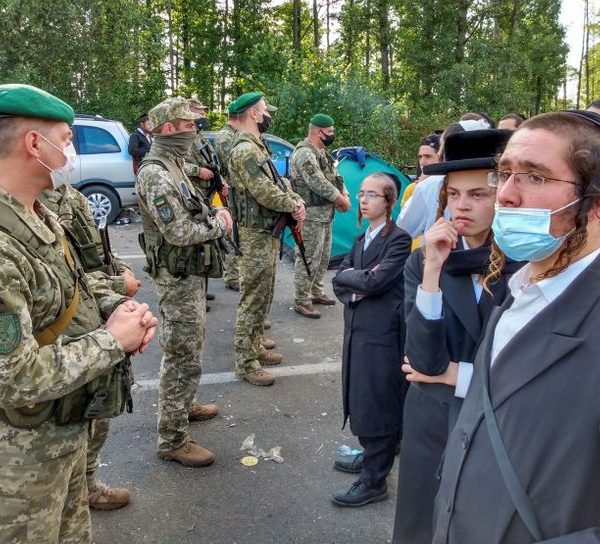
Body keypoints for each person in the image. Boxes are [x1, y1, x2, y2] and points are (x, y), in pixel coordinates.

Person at [432, 110, 600, 543]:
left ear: (595, 202)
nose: (505, 195)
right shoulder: (519, 287)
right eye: (504, 173)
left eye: (535, 177)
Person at [0, 83, 157, 542]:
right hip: (19, 467)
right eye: (66, 140)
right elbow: (14, 377)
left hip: (61, 438)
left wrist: (118, 308)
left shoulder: (37, 216)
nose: (70, 153)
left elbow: (73, 289)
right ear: (35, 144)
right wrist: (112, 341)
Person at [391, 128, 517, 543]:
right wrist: (432, 270)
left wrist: (458, 375)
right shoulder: (424, 261)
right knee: (421, 524)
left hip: (496, 421)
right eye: (455, 193)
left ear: (504, 196)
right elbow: (423, 362)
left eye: (478, 194)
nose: (462, 205)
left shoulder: (526, 265)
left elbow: (527, 371)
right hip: (432, 419)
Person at [136, 96, 233, 466]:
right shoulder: (156, 174)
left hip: (189, 271)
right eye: (189, 124)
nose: (196, 129)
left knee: (192, 346)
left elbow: (193, 208)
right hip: (176, 275)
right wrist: (220, 223)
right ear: (168, 129)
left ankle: (185, 405)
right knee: (181, 353)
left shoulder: (175, 163)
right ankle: (172, 439)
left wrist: (213, 212)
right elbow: (178, 231)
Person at [39, 183, 142, 510]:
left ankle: (87, 483)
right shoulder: (29, 205)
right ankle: (77, 490)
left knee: (97, 415)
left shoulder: (70, 197)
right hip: (63, 341)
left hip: (91, 322)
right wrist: (117, 288)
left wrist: (121, 274)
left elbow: (93, 257)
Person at [331, 173, 411, 507]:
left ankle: (375, 480)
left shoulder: (399, 240)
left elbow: (376, 283)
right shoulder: (362, 238)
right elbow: (339, 280)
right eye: (361, 193)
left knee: (378, 401)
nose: (363, 200)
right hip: (357, 330)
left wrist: (356, 280)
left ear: (389, 201)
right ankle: (371, 456)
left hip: (382, 335)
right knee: (360, 396)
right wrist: (356, 285)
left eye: (372, 195)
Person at [227, 91, 306, 386]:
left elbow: (276, 182)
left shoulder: (256, 145)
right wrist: (294, 205)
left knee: (264, 294)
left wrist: (294, 199)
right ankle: (246, 362)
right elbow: (263, 191)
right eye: (265, 110)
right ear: (254, 114)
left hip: (266, 230)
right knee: (253, 297)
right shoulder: (245, 150)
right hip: (255, 233)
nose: (268, 115)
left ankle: (255, 347)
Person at [291, 113, 351, 319]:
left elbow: (335, 177)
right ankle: (302, 299)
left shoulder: (322, 153)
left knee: (323, 257)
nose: (332, 135)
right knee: (308, 258)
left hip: (325, 214)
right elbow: (316, 181)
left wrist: (344, 195)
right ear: (319, 132)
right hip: (311, 215)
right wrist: (339, 199)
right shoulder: (304, 153)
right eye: (330, 131)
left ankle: (316, 291)